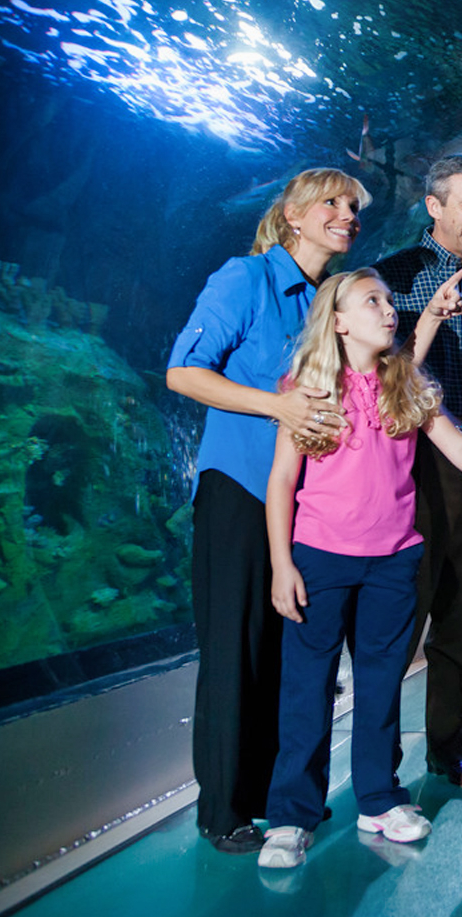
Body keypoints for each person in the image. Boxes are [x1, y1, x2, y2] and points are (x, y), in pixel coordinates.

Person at [258, 269, 462, 870]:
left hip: (393, 560)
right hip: (320, 558)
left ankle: (379, 798)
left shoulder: (405, 381)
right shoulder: (307, 389)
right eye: (372, 301)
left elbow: (455, 442)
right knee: (306, 687)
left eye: (388, 300)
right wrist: (281, 562)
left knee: (381, 683)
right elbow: (281, 480)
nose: (388, 310)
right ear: (337, 321)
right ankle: (292, 815)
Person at [166, 168, 367, 853]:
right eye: (332, 202)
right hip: (240, 488)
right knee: (235, 650)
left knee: (290, 652)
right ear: (292, 216)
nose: (347, 214)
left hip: (306, 500)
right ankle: (223, 808)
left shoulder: (330, 299)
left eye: (352, 206)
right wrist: (278, 405)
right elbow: (184, 372)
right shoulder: (244, 279)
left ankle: (276, 796)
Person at [374, 154, 462, 788]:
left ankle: (450, 747)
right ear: (434, 205)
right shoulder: (392, 276)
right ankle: (377, 760)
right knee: (404, 609)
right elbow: (376, 372)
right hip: (414, 456)